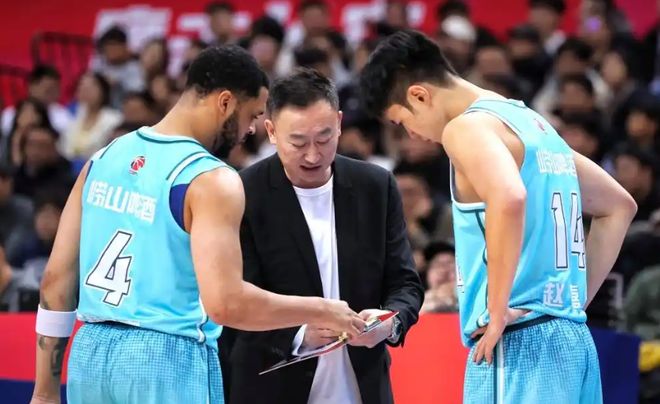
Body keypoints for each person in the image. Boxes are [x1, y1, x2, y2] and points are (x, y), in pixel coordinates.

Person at [30, 46, 365, 404]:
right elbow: (226, 303)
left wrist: (45, 392)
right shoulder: (210, 178)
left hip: (90, 355)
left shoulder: (102, 158)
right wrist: (322, 309)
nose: (251, 130)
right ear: (225, 102)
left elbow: (56, 280)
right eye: (251, 115)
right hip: (165, 356)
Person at [359, 30, 637, 403]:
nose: (412, 134)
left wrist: (497, 309)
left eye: (401, 122)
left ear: (419, 96)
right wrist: (570, 306)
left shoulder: (465, 128)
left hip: (518, 341)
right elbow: (619, 206)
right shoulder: (532, 123)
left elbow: (509, 196)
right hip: (571, 339)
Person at [221, 68, 424, 404]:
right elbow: (232, 302)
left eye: (324, 138)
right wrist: (299, 333)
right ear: (271, 131)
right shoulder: (241, 192)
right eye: (298, 142)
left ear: (340, 123)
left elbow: (405, 283)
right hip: (271, 387)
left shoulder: (376, 186)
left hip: (362, 387)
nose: (313, 155)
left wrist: (389, 323)